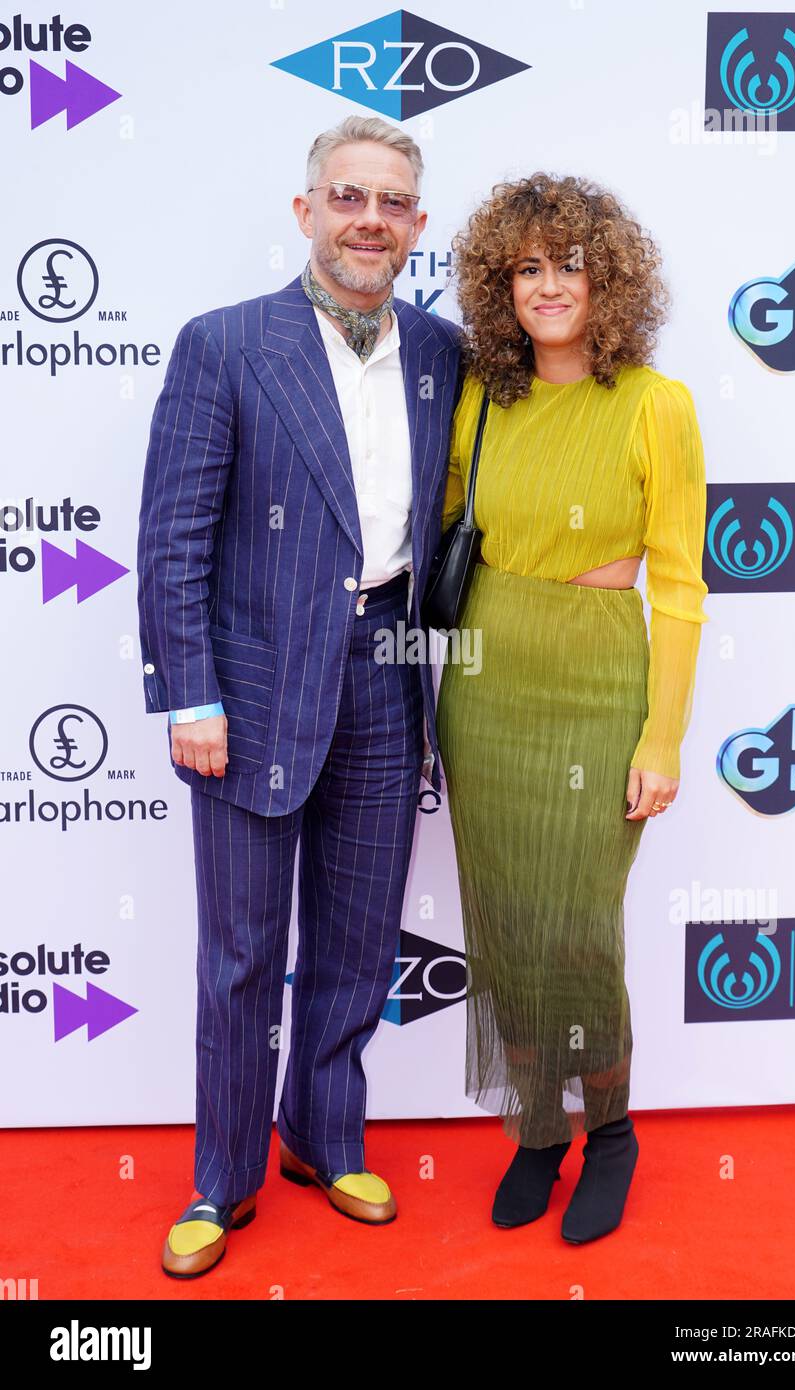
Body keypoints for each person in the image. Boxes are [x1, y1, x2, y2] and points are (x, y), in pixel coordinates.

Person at [136, 114, 461, 1278]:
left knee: (357, 941)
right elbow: (173, 534)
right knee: (237, 952)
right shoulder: (223, 345)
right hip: (254, 686)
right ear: (307, 210)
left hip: (385, 676)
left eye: (392, 203)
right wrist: (189, 696)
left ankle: (325, 1140)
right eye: (347, 196)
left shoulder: (440, 352)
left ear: (416, 226)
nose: (369, 218)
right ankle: (219, 1181)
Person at [434, 172, 709, 1243]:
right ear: (501, 285)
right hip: (486, 681)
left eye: (569, 263)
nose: (548, 286)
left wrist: (663, 734)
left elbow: (679, 585)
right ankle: (535, 1132)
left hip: (597, 683)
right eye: (527, 268)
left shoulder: (654, 404)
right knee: (504, 926)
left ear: (611, 277)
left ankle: (610, 1133)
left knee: (578, 932)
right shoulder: (479, 398)